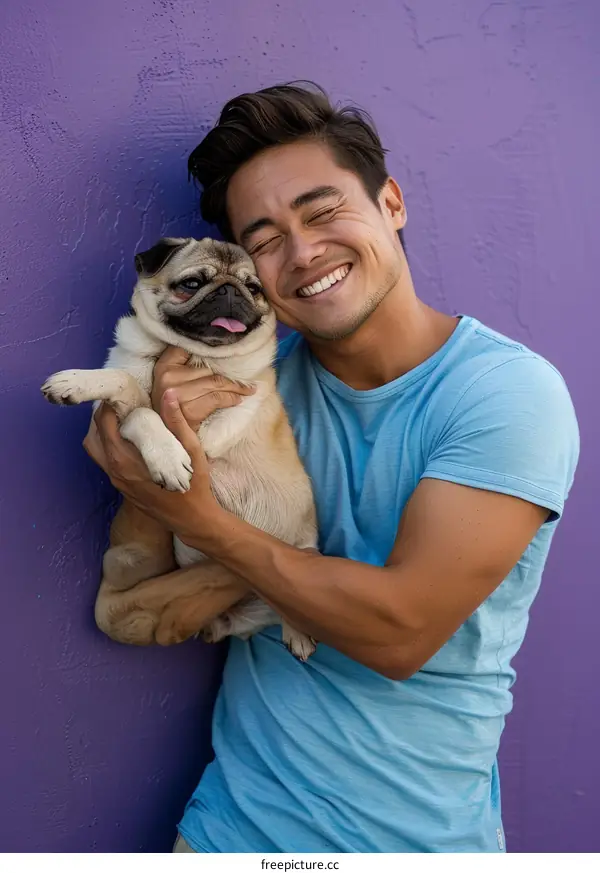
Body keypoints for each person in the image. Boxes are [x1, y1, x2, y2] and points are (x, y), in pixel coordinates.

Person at [84, 83, 580, 853]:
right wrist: (145, 454)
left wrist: (203, 519)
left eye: (322, 212)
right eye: (267, 238)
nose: (304, 252)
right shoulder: (247, 382)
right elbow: (135, 603)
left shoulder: (505, 395)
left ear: (391, 202)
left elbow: (399, 633)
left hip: (412, 843)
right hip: (229, 832)